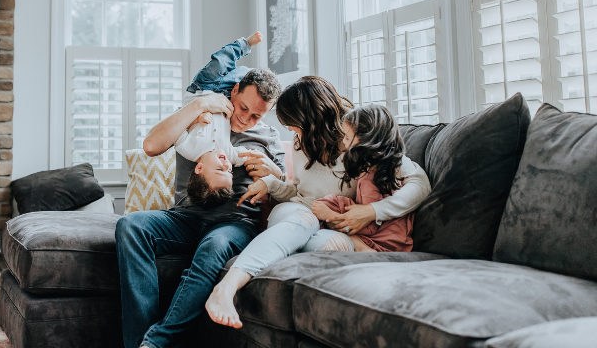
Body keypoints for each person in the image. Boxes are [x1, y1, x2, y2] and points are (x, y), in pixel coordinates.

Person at [205, 76, 431, 329]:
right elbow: (299, 194)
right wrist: (271, 184)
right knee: (304, 221)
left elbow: (420, 185)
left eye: (293, 124)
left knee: (326, 244)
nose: (291, 132)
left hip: (331, 227)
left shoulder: (358, 137)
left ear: (311, 118)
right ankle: (226, 287)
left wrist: (371, 211)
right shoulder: (302, 143)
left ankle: (267, 256)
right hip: (298, 213)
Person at [116, 61, 285, 348]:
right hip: (184, 218)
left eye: (257, 116)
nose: (247, 119)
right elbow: (151, 146)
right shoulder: (202, 115)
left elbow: (286, 191)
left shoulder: (268, 137)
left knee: (214, 246)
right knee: (130, 226)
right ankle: (139, 343)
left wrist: (274, 171)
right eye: (244, 108)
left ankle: (156, 341)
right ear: (234, 91)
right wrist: (200, 104)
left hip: (235, 224)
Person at [311, 104, 415, 252]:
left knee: (333, 218)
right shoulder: (387, 167)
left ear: (366, 140)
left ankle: (365, 251)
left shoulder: (370, 178)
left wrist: (330, 215)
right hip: (397, 238)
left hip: (385, 242)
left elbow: (368, 227)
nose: (344, 143)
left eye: (347, 137)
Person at [179, 33, 264, 205]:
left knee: (220, 62)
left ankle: (245, 44)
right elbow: (249, 156)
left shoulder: (188, 149)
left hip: (201, 89)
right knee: (248, 76)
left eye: (220, 169)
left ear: (200, 168)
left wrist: (195, 120)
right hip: (224, 95)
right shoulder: (228, 153)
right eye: (230, 172)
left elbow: (176, 127)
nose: (226, 164)